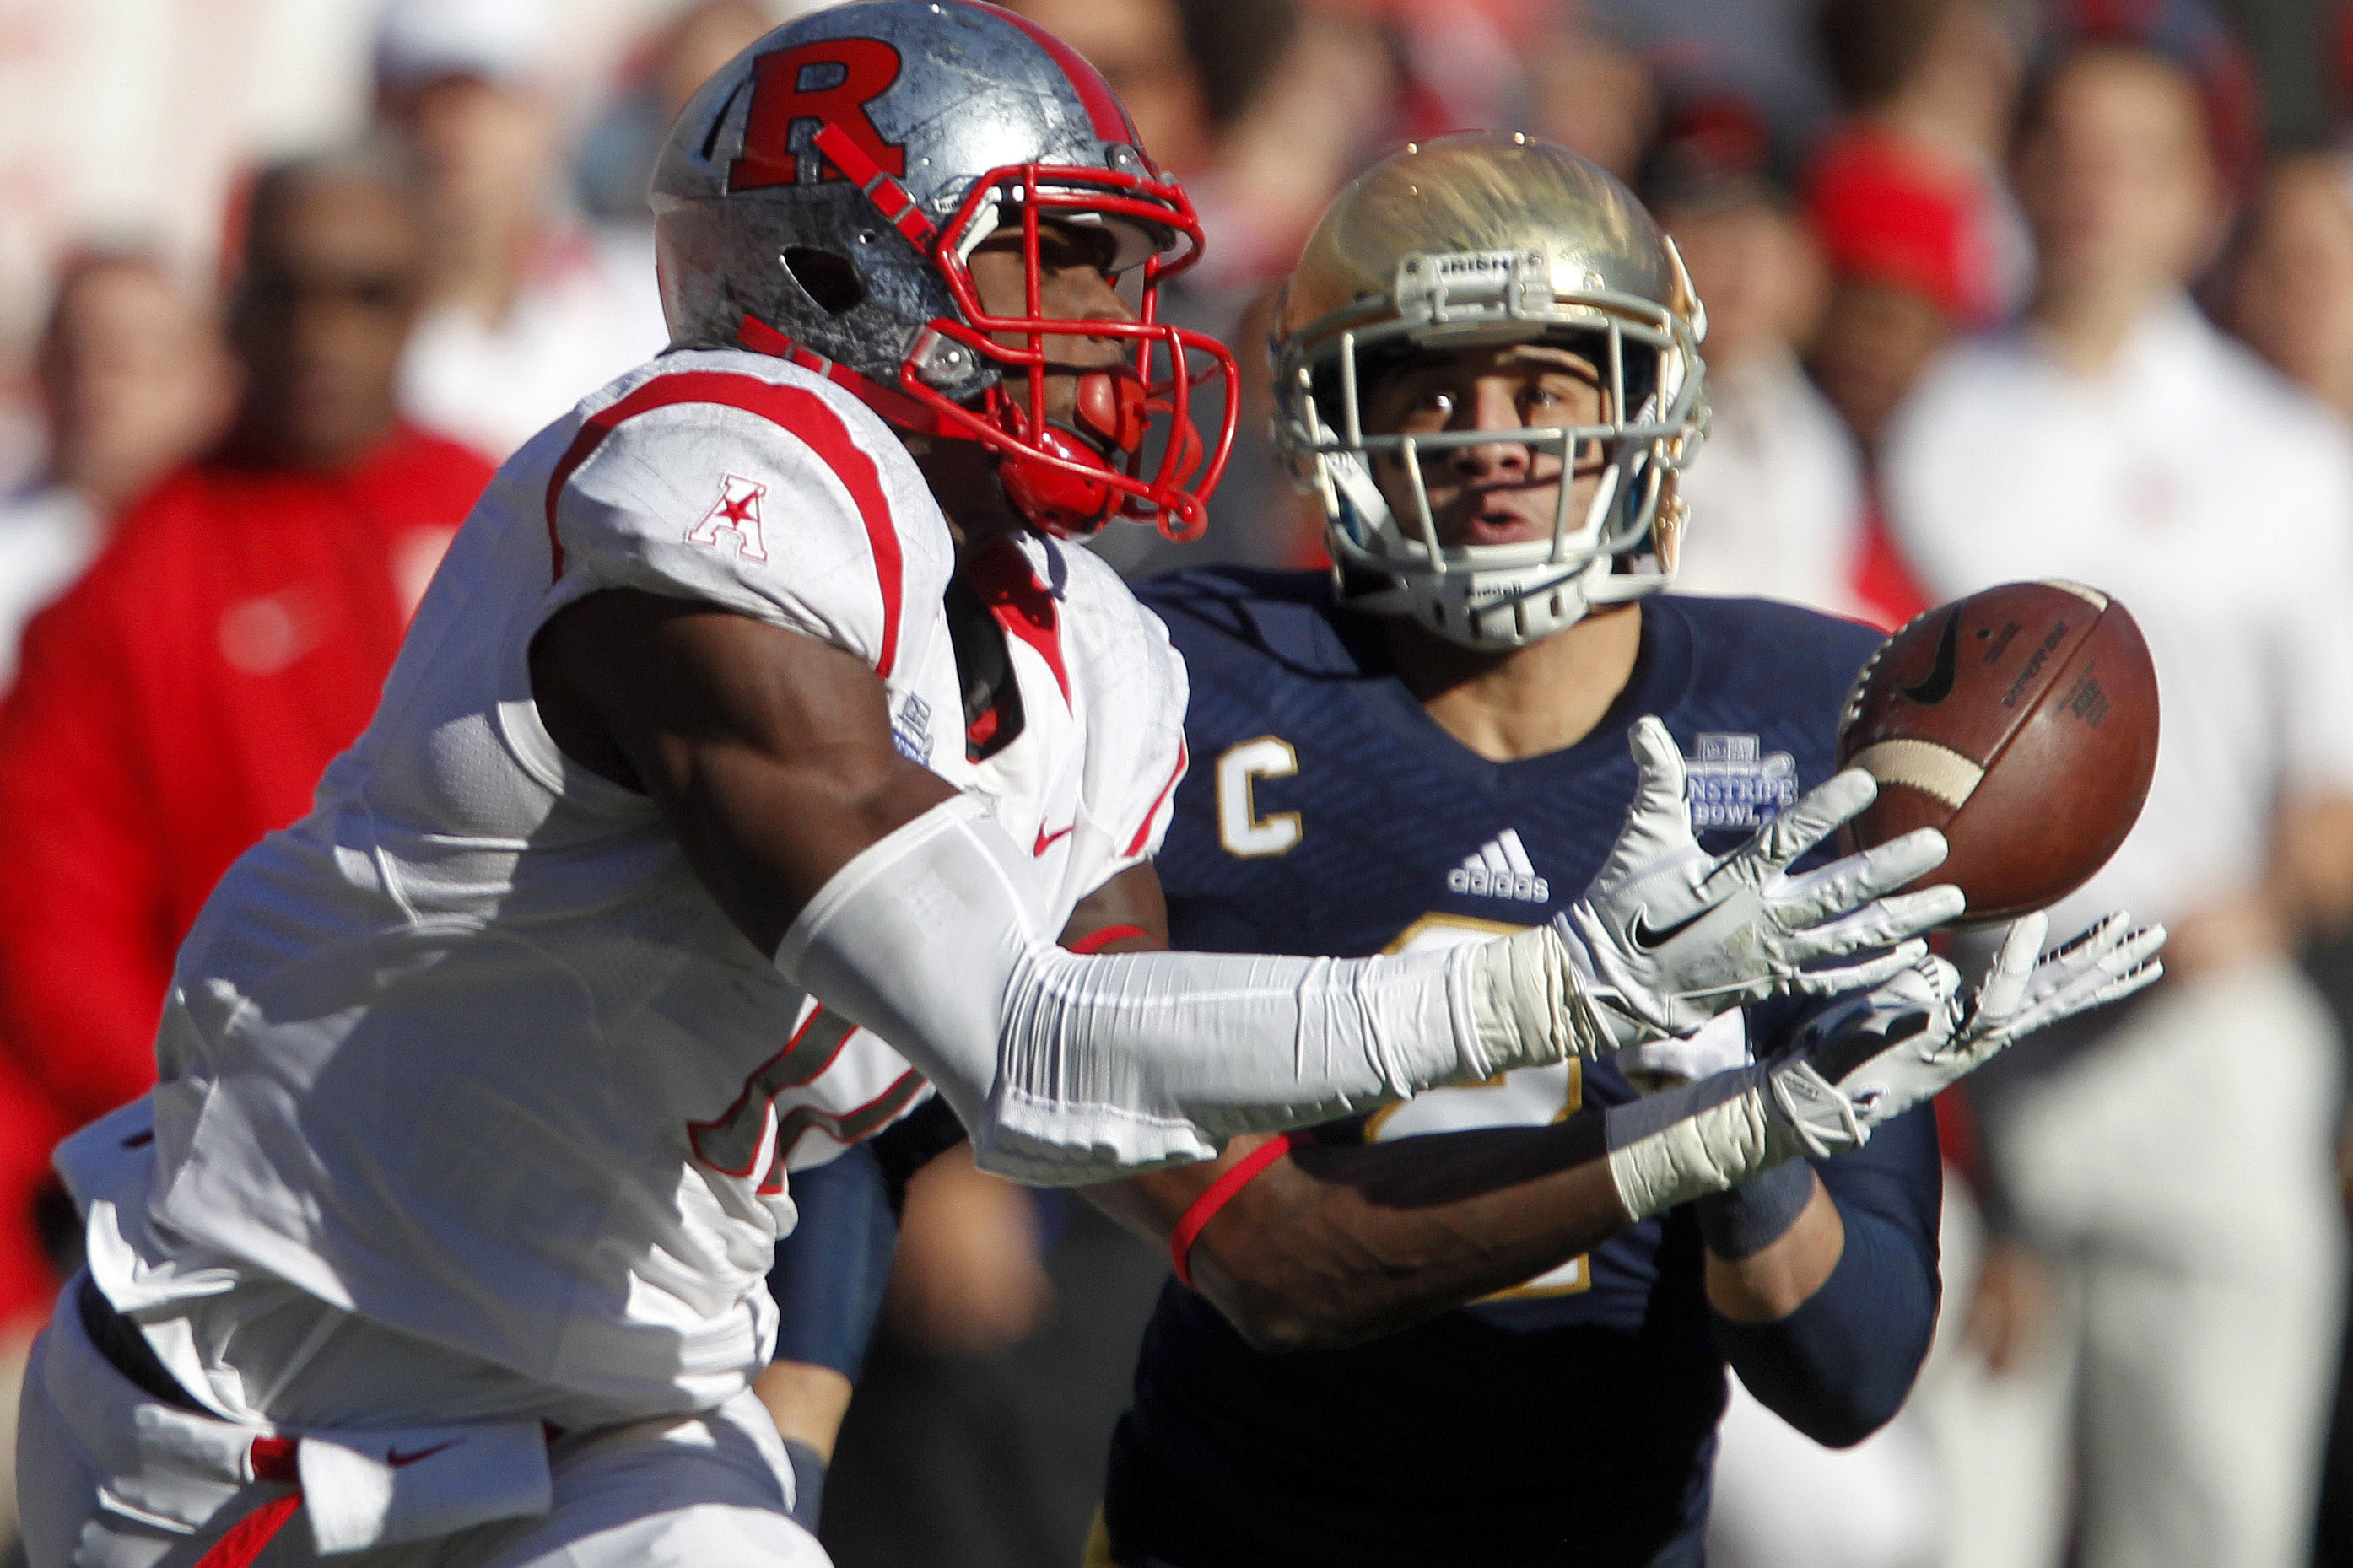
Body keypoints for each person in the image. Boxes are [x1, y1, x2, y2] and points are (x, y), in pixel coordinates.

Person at [15, 11, 1967, 1567]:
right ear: (833, 273)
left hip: (623, 1407)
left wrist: (1730, 1125)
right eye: (1062, 258)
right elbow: (1028, 1042)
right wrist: (1555, 990)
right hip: (280, 1382)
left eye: (1128, 268)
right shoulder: (704, 481)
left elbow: (1215, 1196)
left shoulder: (1093, 655)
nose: (1125, 325)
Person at [1077, 130, 2156, 1568]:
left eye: (1542, 383)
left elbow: (1849, 1369)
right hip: (1223, 1525)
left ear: (1649, 404)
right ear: (1334, 414)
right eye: (1432, 384)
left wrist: (1734, 1127)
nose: (1492, 435)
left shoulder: (1802, 721)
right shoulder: (1185, 670)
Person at [1882, 42, 2353, 1568]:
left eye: (2135, 158)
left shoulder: (2287, 462)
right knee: (1954, 1527)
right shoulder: (1926, 424)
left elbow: (2332, 801)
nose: (2094, 191)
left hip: (2196, 1052)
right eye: (2066, 149)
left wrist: (2252, 906)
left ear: (2202, 196)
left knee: (2206, 1519)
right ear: (2013, 169)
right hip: (1955, 1045)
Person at [0, 145, 492, 1150]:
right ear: (234, 301)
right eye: (285, 291)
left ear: (422, 297)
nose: (323, 333)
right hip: (238, 1158)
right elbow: (54, 926)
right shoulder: (129, 584)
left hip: (503, 1138)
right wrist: (213, 1125)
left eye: (365, 292)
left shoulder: (509, 516)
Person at [375, 0, 671, 460]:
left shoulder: (650, 301)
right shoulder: (339, 331)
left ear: (545, 110)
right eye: (420, 100)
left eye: (489, 98)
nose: (451, 130)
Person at [0, 251, 229, 686]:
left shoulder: (268, 548)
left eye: (139, 357)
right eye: (75, 351)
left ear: (213, 376)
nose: (101, 379)